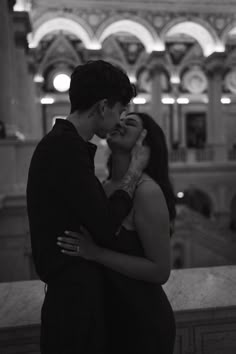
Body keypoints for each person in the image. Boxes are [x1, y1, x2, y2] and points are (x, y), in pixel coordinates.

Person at [26, 61, 149, 354]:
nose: (120, 120)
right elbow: (106, 227)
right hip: (73, 307)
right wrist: (134, 173)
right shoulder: (65, 149)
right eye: (120, 110)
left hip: (73, 299)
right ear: (103, 106)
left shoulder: (64, 145)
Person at [58, 112, 176, 354]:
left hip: (142, 320)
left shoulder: (147, 192)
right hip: (109, 319)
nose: (119, 123)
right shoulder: (102, 187)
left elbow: (160, 270)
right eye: (120, 118)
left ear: (145, 141)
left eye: (130, 123)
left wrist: (96, 253)